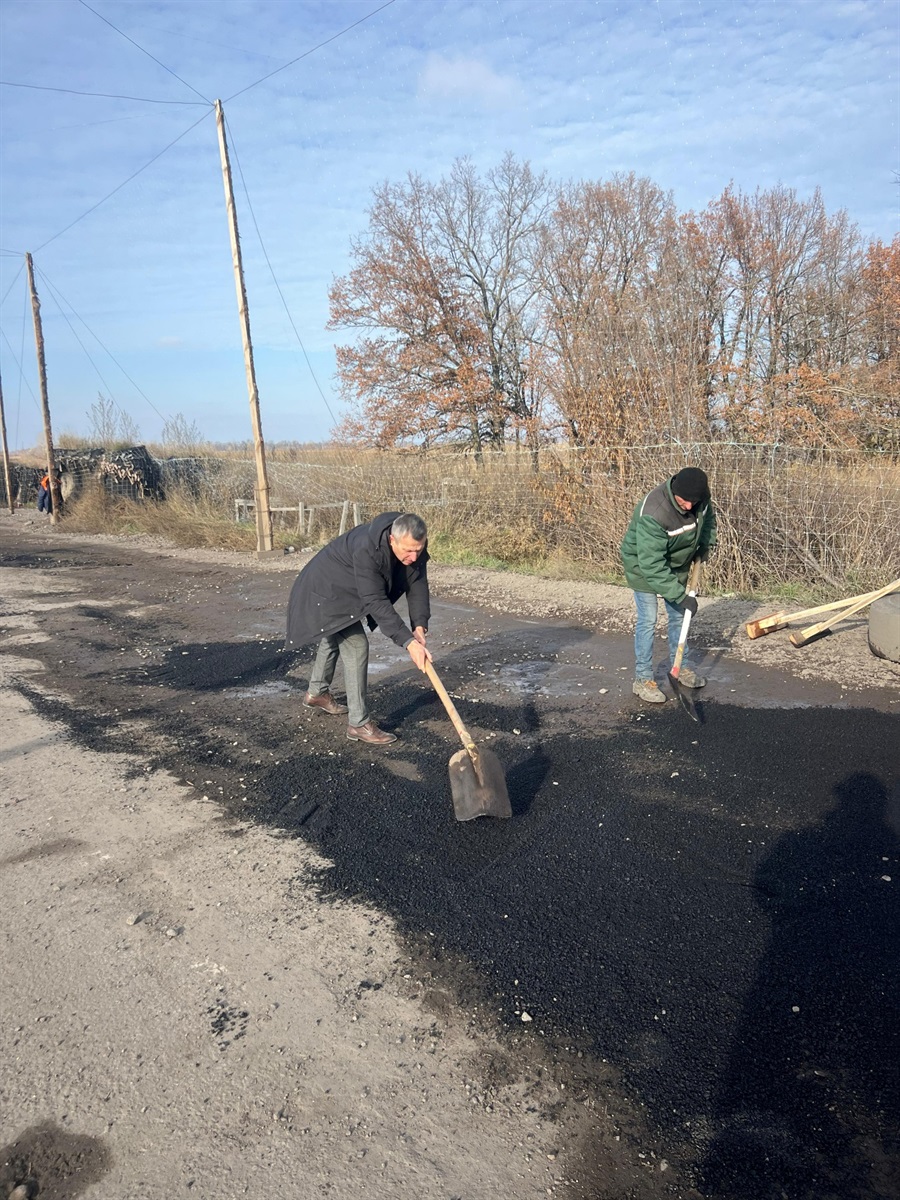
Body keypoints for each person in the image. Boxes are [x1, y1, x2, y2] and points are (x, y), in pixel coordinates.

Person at [285, 511, 433, 745]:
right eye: (408, 551)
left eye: (419, 549)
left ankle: (316, 693)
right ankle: (358, 724)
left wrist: (419, 626)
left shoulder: (411, 545)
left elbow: (417, 585)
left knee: (334, 634)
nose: (414, 557)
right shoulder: (367, 548)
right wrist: (408, 642)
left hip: (345, 587)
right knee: (355, 644)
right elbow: (375, 601)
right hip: (323, 588)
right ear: (392, 540)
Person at [620, 466, 717, 705]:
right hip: (643, 566)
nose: (688, 507)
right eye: (683, 502)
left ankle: (678, 667)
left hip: (677, 563)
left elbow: (708, 523)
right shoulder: (654, 511)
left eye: (692, 503)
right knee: (648, 620)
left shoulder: (700, 500)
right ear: (674, 492)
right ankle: (642, 678)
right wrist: (680, 595)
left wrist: (705, 545)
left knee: (678, 617)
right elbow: (652, 565)